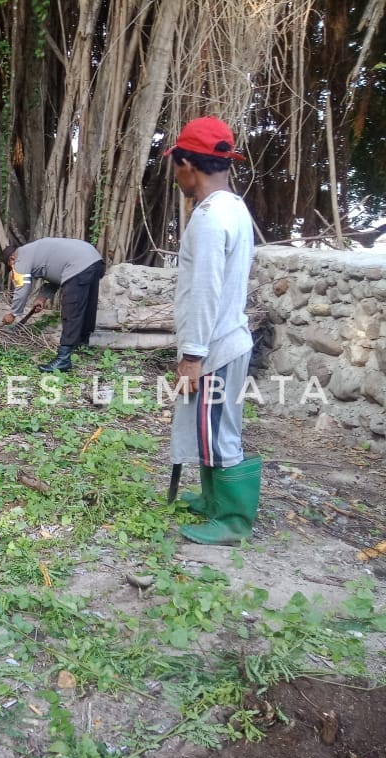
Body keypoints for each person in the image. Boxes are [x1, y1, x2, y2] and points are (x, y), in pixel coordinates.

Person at [165, 116, 261, 545]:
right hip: (225, 339)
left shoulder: (207, 218)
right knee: (209, 426)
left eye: (176, 165)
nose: (175, 175)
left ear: (188, 164)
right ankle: (212, 500)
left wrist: (192, 356)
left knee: (218, 429)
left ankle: (234, 521)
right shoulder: (234, 206)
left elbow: (205, 290)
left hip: (216, 347)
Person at [0, 238, 104, 372]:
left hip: (78, 264)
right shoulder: (33, 250)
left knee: (71, 308)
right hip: (95, 260)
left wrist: (13, 313)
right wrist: (42, 298)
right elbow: (59, 275)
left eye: (11, 266)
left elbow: (22, 288)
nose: (14, 269)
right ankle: (83, 344)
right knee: (87, 303)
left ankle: (63, 358)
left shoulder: (20, 260)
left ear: (11, 259)